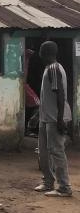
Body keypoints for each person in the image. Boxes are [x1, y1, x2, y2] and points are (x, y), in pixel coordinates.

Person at [33, 40, 73, 197]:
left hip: (55, 118)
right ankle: (48, 182)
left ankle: (64, 187)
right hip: (46, 117)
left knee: (56, 151)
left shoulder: (54, 69)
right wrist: (38, 115)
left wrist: (61, 118)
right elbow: (47, 96)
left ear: (44, 53)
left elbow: (60, 94)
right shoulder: (48, 69)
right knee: (43, 152)